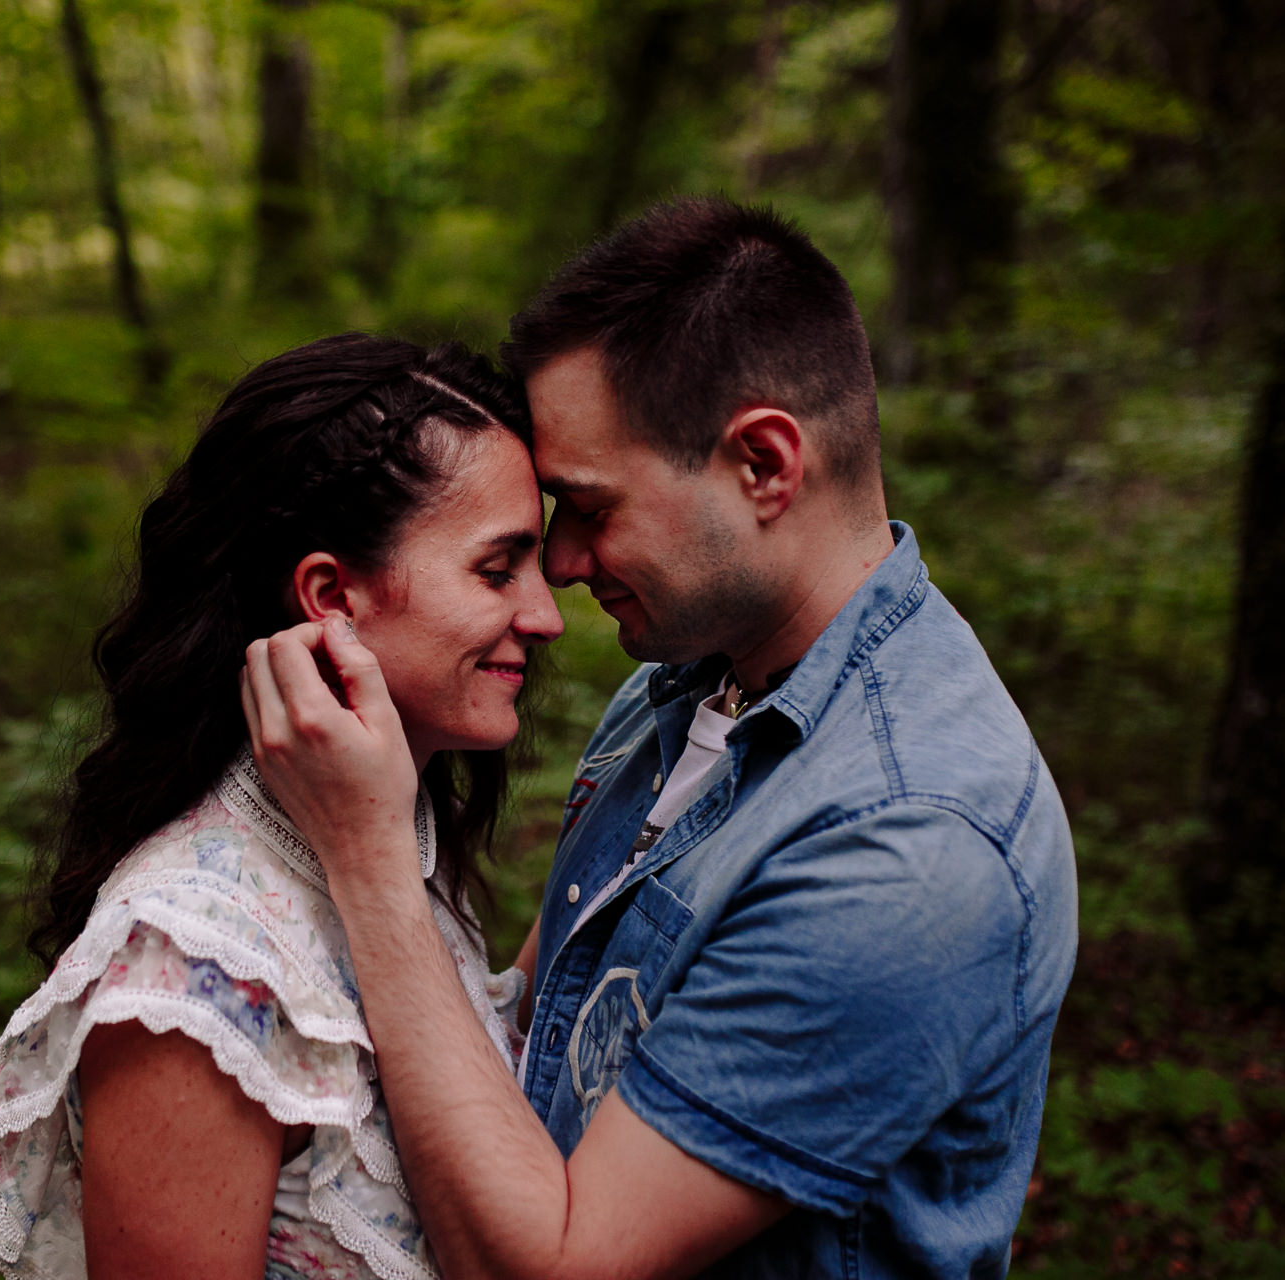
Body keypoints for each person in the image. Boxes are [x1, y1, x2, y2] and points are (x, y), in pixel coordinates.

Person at [241, 198, 1080, 1279]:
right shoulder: (676, 689)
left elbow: (554, 1266)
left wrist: (367, 859)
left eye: (589, 506)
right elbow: (534, 1045)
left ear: (766, 465)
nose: (567, 562)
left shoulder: (911, 841)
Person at [0, 333, 565, 1280]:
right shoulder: (190, 972)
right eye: (498, 570)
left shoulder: (378, 837)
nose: (546, 615)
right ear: (330, 596)